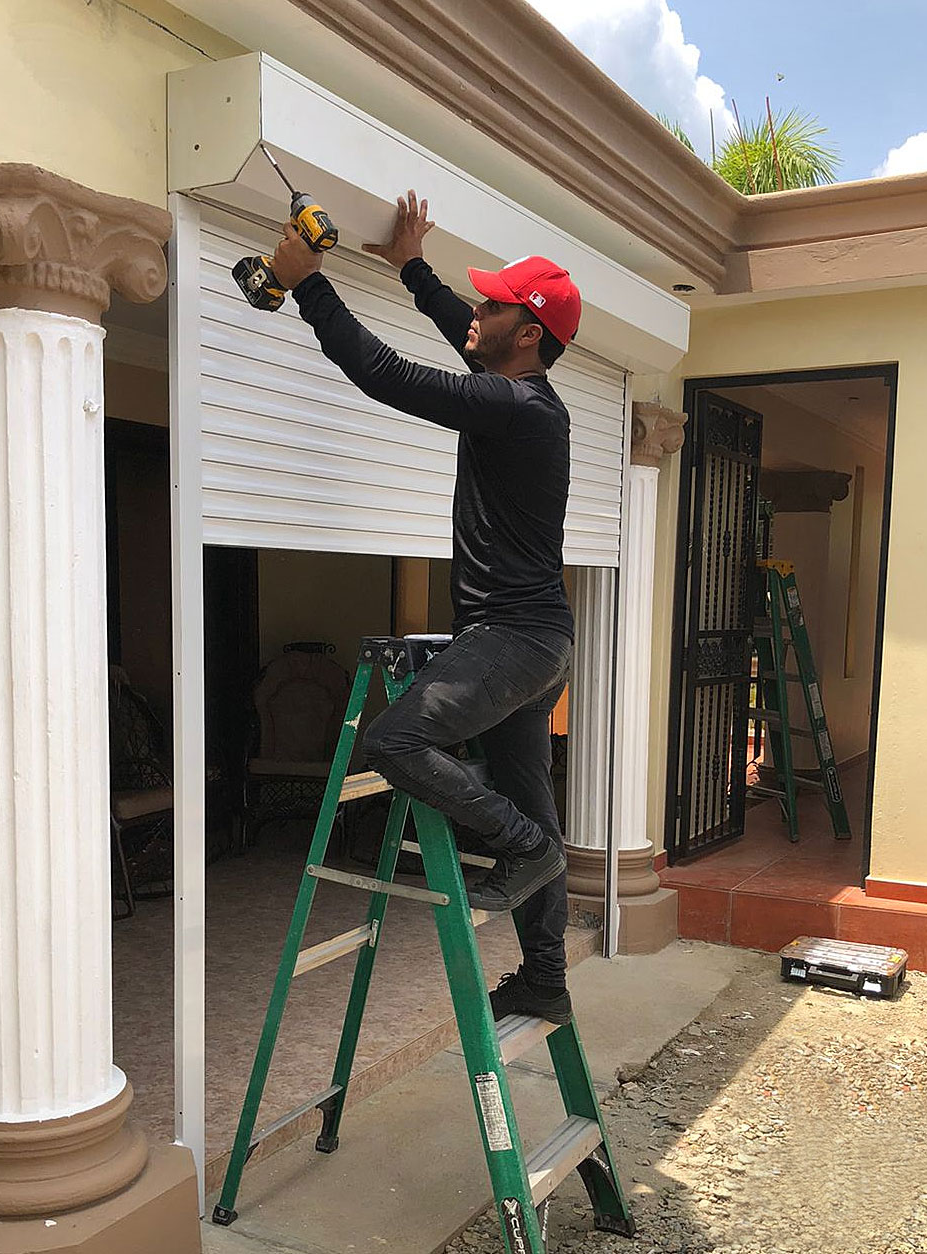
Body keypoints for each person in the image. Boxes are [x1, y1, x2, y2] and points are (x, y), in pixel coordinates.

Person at [271, 192, 580, 1026]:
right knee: (529, 794)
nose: (474, 312)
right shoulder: (526, 398)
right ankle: (545, 976)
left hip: (512, 640)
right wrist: (411, 267)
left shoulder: (512, 408)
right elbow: (463, 331)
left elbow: (388, 376)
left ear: (528, 335)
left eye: (494, 304)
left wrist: (309, 284)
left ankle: (521, 846)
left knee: (395, 739)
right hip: (536, 641)